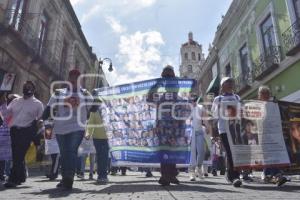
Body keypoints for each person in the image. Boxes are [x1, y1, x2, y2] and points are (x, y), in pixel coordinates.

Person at [42, 69, 92, 190]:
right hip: (60, 128)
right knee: (64, 153)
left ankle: (69, 177)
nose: (74, 80)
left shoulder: (86, 94)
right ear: (68, 79)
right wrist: (45, 122)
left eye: (77, 78)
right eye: (71, 77)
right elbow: (48, 110)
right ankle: (65, 177)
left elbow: (91, 111)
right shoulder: (58, 93)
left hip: (77, 128)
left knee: (71, 151)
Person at [0, 81, 44, 188]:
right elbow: (6, 115)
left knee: (19, 155)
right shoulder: (15, 101)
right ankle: (21, 176)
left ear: (33, 90)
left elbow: (41, 119)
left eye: (29, 87)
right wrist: (3, 103)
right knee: (16, 155)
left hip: (27, 131)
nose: (27, 88)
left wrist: (39, 130)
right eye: (25, 86)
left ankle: (13, 179)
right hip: (14, 131)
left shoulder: (37, 104)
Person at [211, 77, 242, 187]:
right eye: (227, 82)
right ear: (222, 85)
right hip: (224, 129)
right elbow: (214, 116)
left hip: (236, 129)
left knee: (236, 152)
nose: (230, 84)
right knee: (230, 152)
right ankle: (234, 177)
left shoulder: (237, 97)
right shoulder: (218, 99)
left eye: (231, 82)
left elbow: (241, 113)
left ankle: (232, 174)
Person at [258, 86, 288, 187]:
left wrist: (276, 103)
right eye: (263, 93)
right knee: (267, 154)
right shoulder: (257, 105)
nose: (265, 95)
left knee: (274, 153)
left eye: (267, 93)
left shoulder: (274, 104)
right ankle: (269, 174)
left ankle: (274, 174)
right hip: (263, 134)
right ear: (260, 95)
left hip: (273, 134)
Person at [86, 98, 109, 183]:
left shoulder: (108, 110)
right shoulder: (93, 111)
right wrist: (88, 133)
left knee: (104, 157)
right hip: (97, 137)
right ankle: (101, 175)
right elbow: (91, 123)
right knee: (100, 157)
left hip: (107, 137)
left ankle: (103, 175)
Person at [189, 96, 206, 181]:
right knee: (192, 153)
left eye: (194, 100)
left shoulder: (201, 107)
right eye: (191, 101)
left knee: (201, 152)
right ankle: (192, 173)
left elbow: (204, 118)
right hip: (192, 132)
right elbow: (187, 120)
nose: (193, 102)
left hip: (200, 132)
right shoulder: (188, 109)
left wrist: (207, 128)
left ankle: (198, 168)